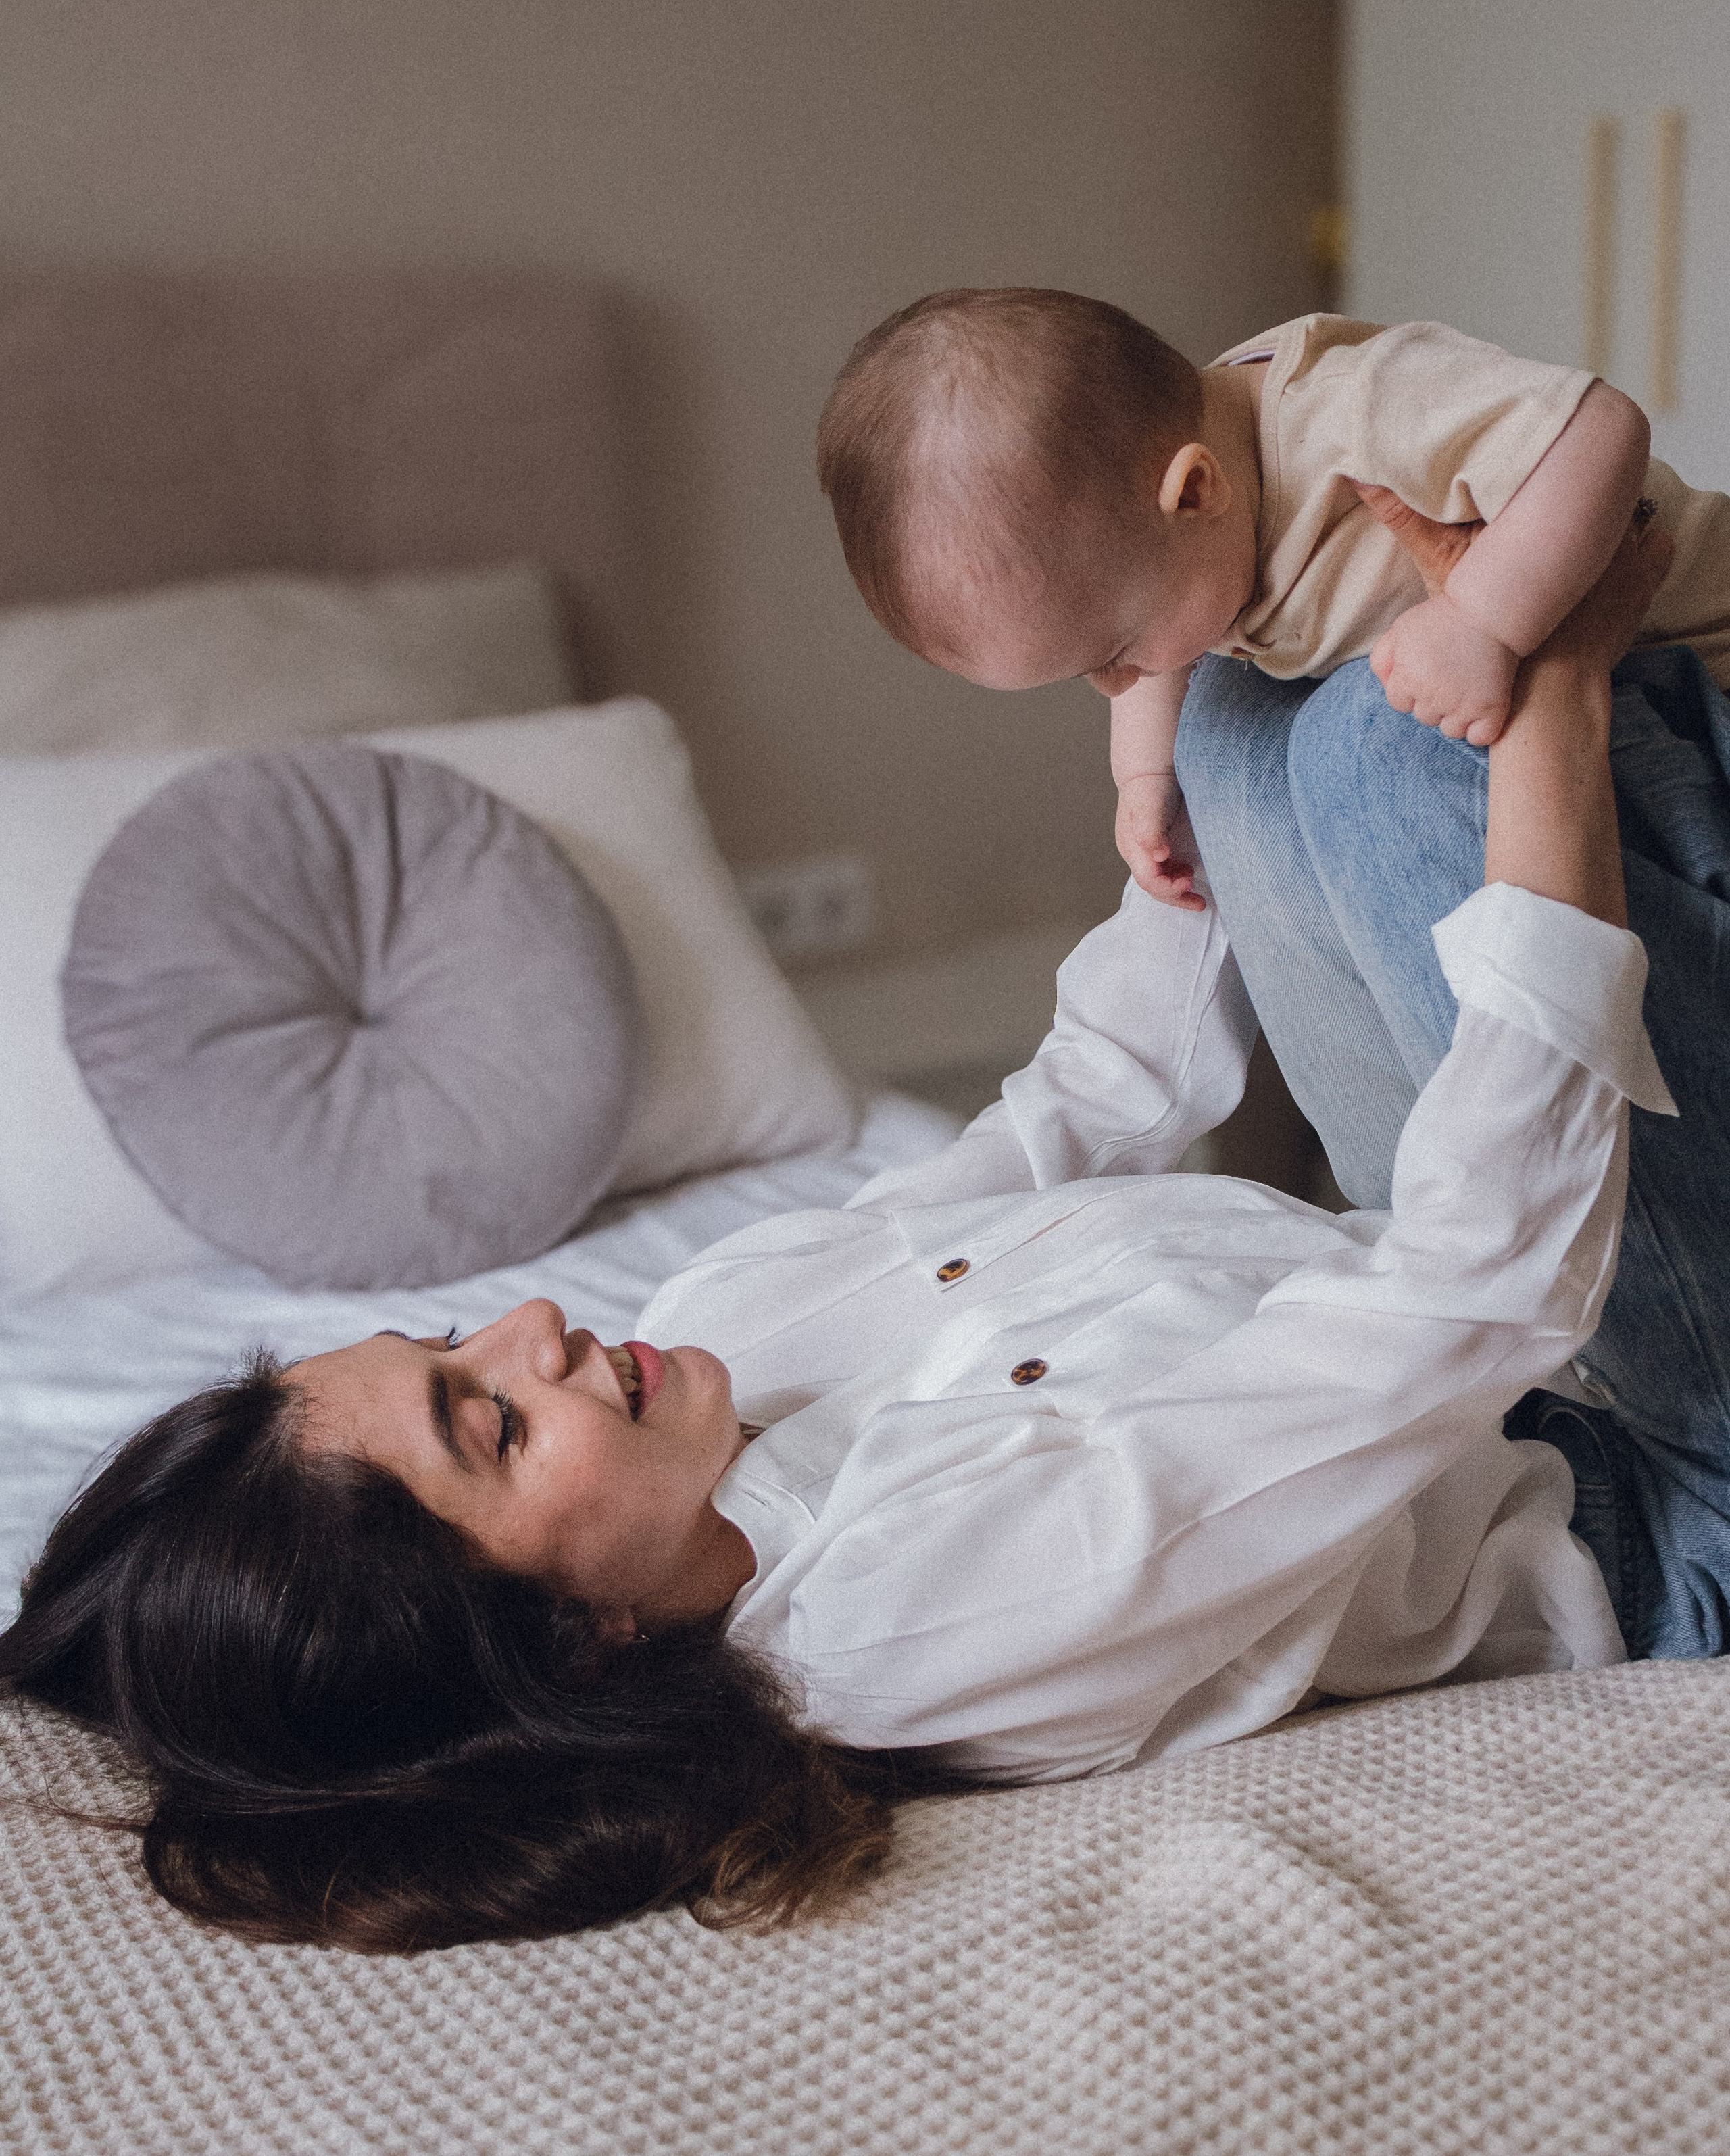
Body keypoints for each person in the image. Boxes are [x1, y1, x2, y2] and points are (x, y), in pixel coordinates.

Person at [2, 514, 1716, 1958]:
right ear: (576, 1644)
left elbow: (1088, 1101)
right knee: (1419, 735)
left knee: (1261, 721)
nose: (531, 1329)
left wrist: (1152, 693)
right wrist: (1547, 690)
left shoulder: (709, 1328)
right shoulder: (893, 1623)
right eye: (494, 1423)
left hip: (1485, 1311)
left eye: (451, 1343)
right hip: (1648, 1492)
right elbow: (1478, 1290)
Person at [816, 286, 1730, 906]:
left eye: (1110, 654)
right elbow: (1157, 659)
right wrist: (1144, 781)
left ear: (1197, 491)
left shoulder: (1355, 407)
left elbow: (1602, 429)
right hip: (1605, 713)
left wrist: (1482, 615)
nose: (1118, 682)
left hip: (1697, 661)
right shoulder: (1178, 534)